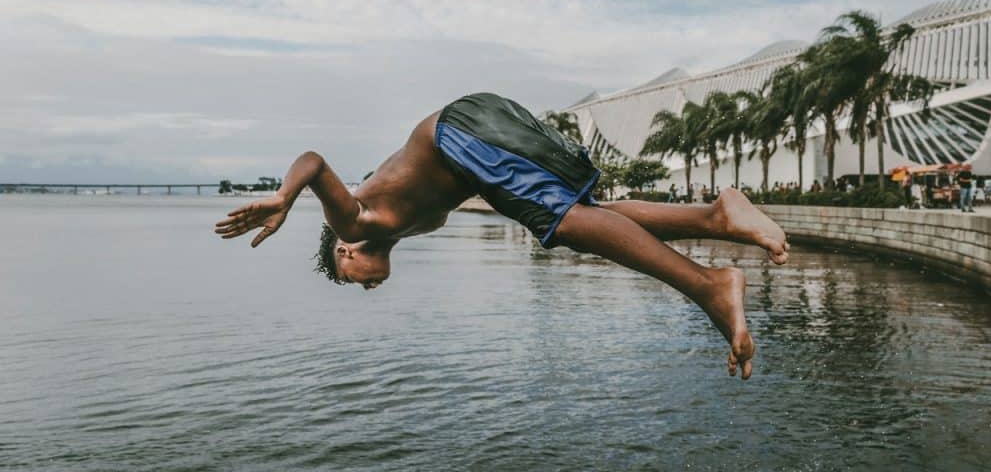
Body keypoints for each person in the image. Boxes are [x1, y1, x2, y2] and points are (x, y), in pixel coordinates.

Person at [215, 93, 789, 380]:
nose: (366, 288)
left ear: (344, 252)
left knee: (561, 225)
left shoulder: (356, 223)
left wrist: (284, 196)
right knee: (586, 214)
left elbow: (314, 161)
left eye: (352, 280)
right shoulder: (411, 223)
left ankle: (710, 287)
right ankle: (716, 217)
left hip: (464, 134)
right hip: (480, 129)